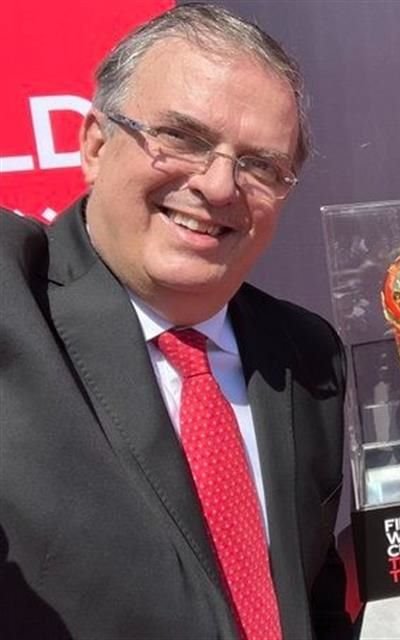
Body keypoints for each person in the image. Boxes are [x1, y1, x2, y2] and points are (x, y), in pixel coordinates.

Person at [0, 5, 350, 639]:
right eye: (182, 138)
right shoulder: (13, 296)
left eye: (261, 165)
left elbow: (315, 598)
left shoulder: (308, 356)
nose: (219, 186)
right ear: (95, 146)